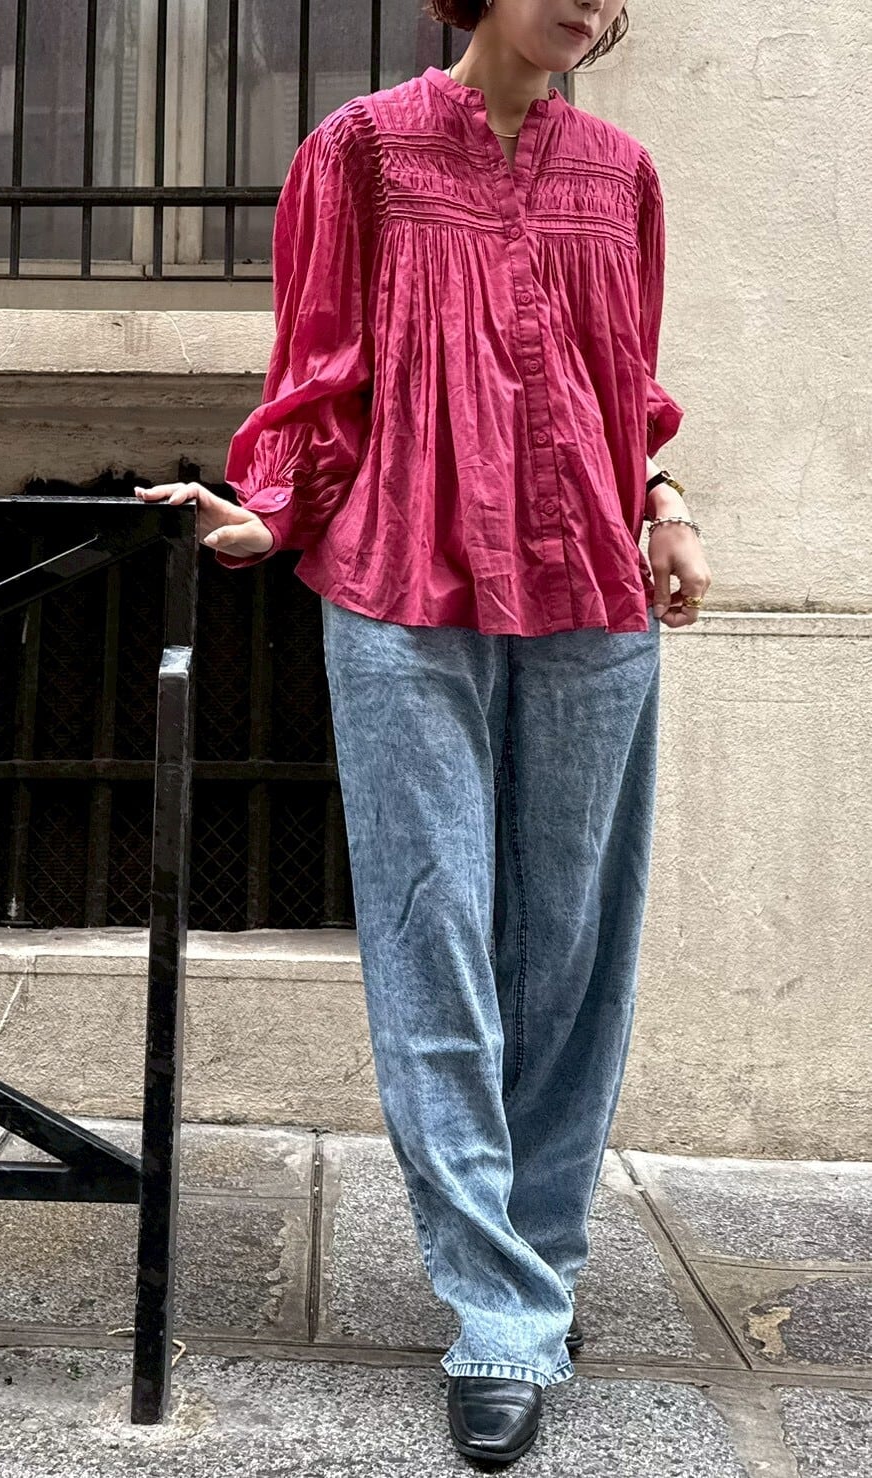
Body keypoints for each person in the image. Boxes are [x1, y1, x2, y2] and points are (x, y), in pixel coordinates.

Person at [137, 0, 712, 1466]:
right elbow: (320, 367)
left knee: (572, 944)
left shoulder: (624, 175)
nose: (588, 0)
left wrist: (670, 505)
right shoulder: (361, 153)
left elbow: (626, 380)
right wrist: (276, 508)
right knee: (434, 925)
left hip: (592, 584)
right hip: (402, 583)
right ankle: (499, 1315)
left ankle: (537, 1262)